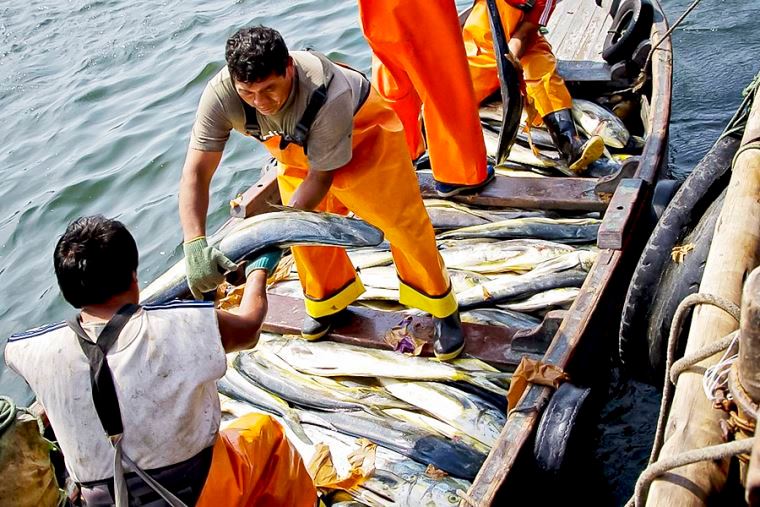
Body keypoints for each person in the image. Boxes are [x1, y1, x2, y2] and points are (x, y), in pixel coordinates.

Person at [179, 26, 466, 360]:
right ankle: (330, 302)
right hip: (294, 149)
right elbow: (196, 172)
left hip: (363, 136)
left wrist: (274, 238)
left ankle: (441, 305)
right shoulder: (220, 95)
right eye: (248, 93)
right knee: (304, 236)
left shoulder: (329, 93)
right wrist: (194, 243)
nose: (260, 102)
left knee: (402, 223)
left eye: (270, 89)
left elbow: (320, 177)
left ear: (288, 67)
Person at [4, 216, 316, 506]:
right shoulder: (179, 324)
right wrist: (258, 271)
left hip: (106, 500)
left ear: (68, 292)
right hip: (195, 492)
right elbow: (248, 329)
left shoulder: (32, 351)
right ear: (133, 276)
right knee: (265, 434)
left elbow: (12, 351)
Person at [357, 0, 495, 197]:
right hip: (421, 9)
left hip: (376, 13)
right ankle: (458, 174)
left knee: (394, 80)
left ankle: (402, 158)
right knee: (444, 84)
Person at [462, 0, 604, 173]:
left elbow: (525, 32)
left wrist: (509, 59)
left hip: (523, 42)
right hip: (481, 44)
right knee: (457, 98)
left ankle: (570, 143)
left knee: (544, 76)